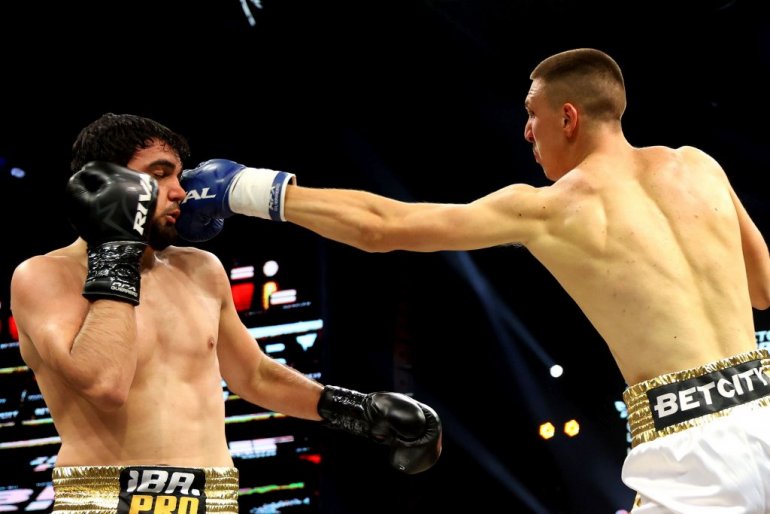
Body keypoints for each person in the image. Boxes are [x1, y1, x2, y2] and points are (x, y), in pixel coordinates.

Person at [176, 48, 770, 512]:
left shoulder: (550, 208)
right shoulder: (699, 166)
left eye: (532, 116)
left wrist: (246, 189)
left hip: (687, 446)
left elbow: (384, 227)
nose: (527, 133)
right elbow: (762, 289)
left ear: (568, 117)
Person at [9, 113, 442, 514]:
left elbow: (253, 375)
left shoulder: (200, 269)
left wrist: (358, 410)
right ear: (104, 183)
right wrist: (116, 250)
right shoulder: (45, 276)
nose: (180, 192)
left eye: (178, 176)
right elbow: (104, 384)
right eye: (159, 175)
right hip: (105, 496)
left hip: (212, 497)